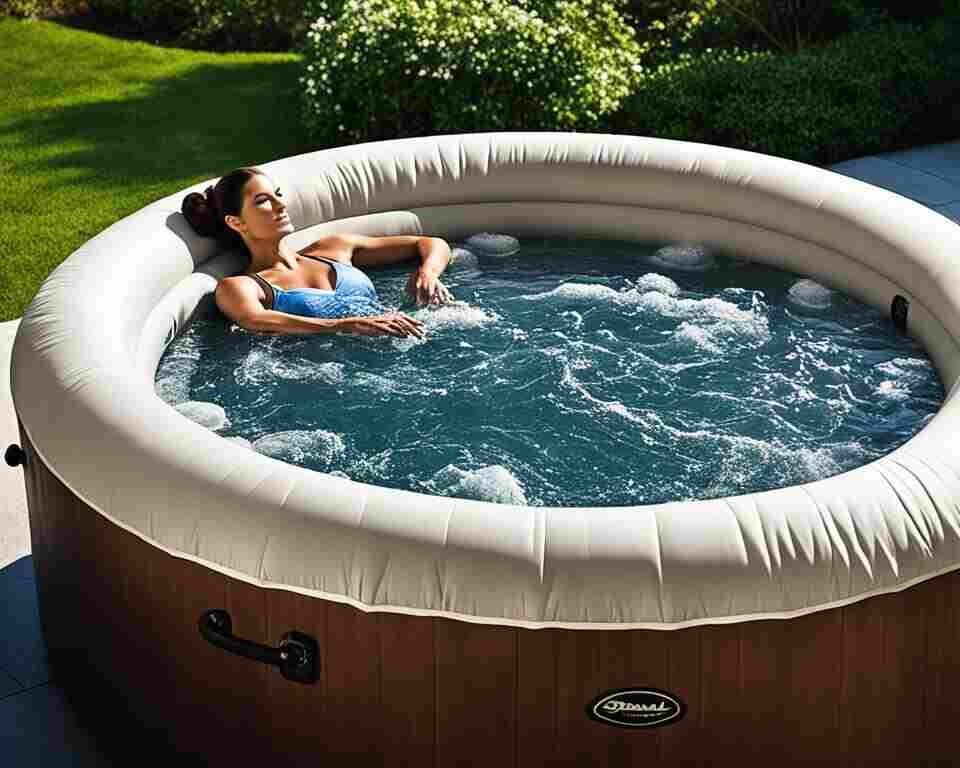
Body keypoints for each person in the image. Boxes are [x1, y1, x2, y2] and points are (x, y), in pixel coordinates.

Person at [181, 167, 455, 339]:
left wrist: (427, 273)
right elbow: (254, 319)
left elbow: (431, 243)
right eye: (263, 201)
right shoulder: (240, 286)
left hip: (411, 341)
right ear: (236, 222)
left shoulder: (333, 248)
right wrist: (343, 325)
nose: (280, 205)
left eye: (278, 194)